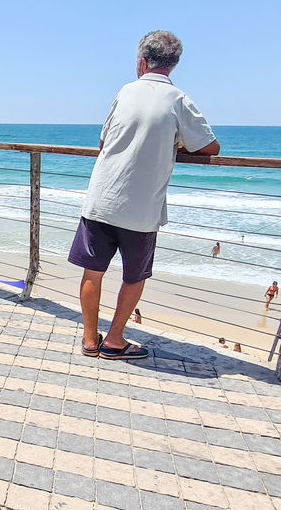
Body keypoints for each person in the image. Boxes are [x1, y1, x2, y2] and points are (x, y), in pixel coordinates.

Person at [69, 31, 220, 360]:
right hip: (142, 208)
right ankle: (115, 340)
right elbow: (210, 146)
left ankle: (90, 340)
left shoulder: (125, 92)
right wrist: (175, 142)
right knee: (134, 277)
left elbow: (104, 142)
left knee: (93, 272)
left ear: (141, 62)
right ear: (174, 64)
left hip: (102, 198)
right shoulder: (178, 99)